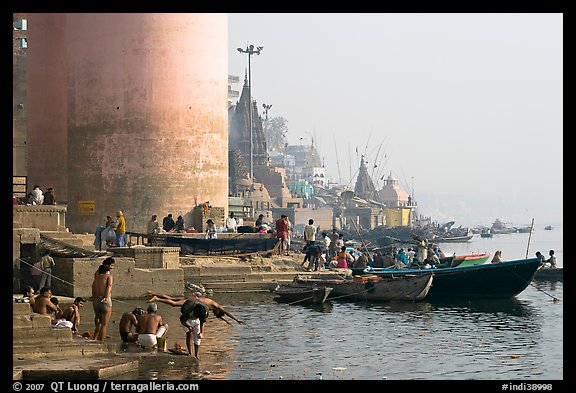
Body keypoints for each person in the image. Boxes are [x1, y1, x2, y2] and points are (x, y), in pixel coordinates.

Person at [92, 258, 114, 341]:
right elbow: (109, 286)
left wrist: (93, 297)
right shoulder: (109, 276)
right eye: (111, 265)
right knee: (104, 324)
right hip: (105, 300)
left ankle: (94, 338)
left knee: (98, 321)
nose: (112, 268)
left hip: (96, 300)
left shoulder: (96, 276)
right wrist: (106, 297)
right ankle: (101, 341)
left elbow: (93, 286)